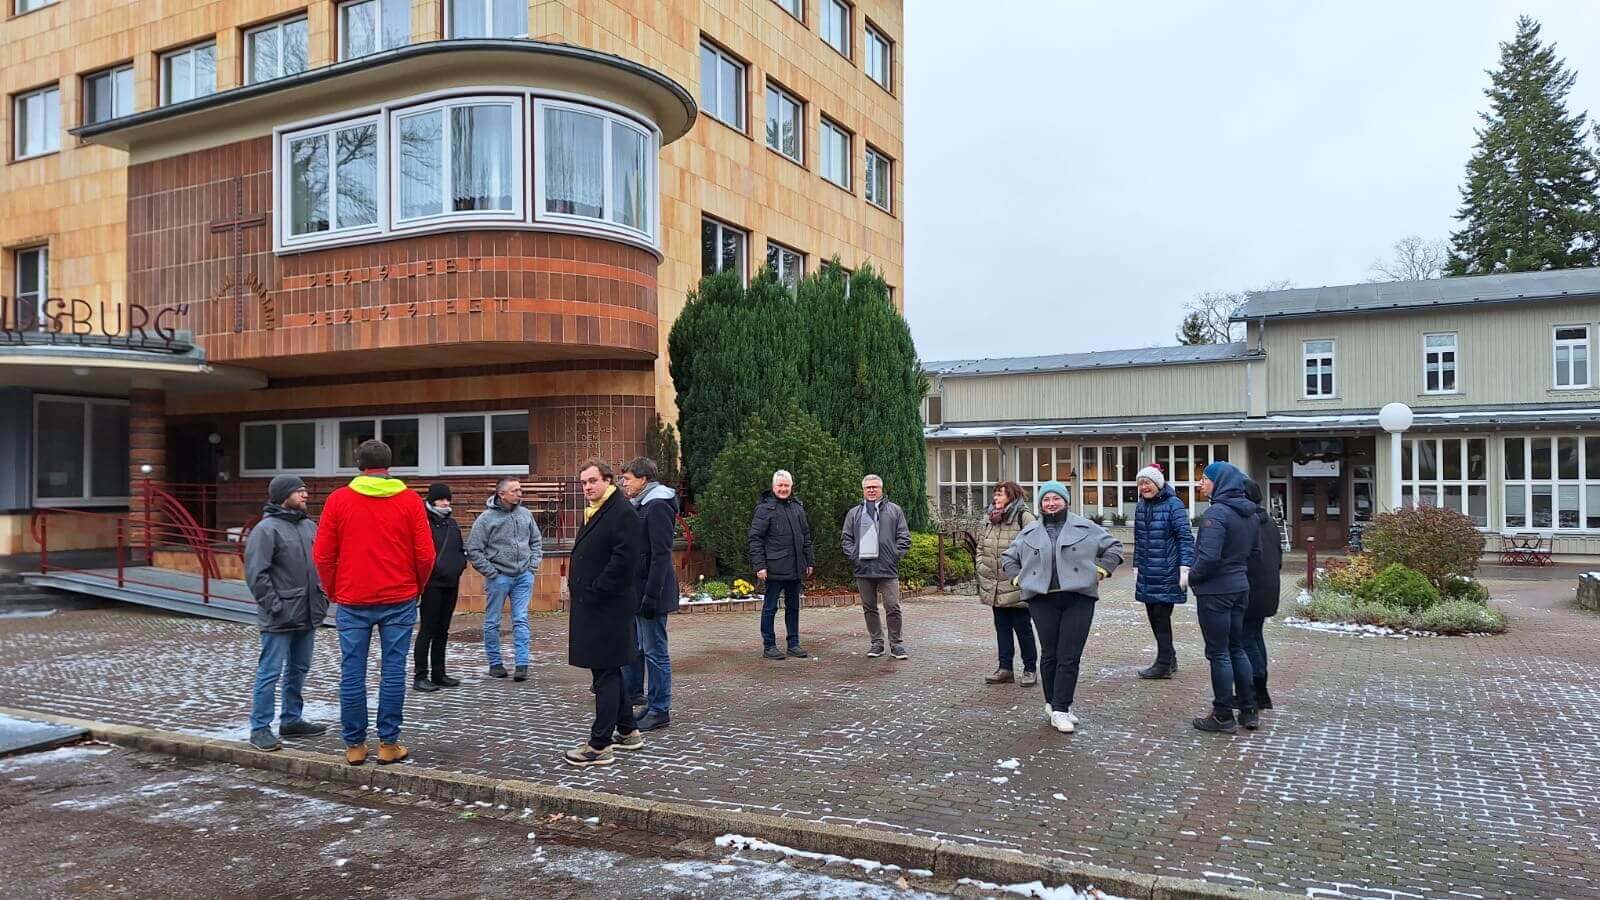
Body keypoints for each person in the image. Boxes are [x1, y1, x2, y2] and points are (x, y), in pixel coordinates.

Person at [313, 439, 435, 767]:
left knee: (352, 671)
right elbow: (425, 554)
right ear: (389, 464)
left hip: (353, 597)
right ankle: (388, 743)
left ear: (358, 464)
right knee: (393, 670)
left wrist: (334, 589)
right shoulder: (409, 500)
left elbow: (323, 554)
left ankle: (354, 746)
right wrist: (417, 587)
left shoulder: (338, 500)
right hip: (399, 597)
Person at [1001, 481, 1124, 734]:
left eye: (1056, 498)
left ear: (1066, 501)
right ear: (1040, 504)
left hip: (1079, 597)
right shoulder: (1029, 532)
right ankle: (1053, 704)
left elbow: (1114, 546)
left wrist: (1102, 569)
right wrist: (1017, 578)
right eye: (1046, 500)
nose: (1051, 503)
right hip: (1042, 599)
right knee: (1050, 653)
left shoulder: (1085, 527)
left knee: (1070, 654)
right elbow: (1008, 558)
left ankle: (1061, 708)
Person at [563, 459, 644, 768]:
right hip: (595, 606)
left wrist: (596, 590)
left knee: (605, 672)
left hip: (607, 606)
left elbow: (624, 562)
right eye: (583, 482)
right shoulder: (598, 510)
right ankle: (628, 730)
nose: (587, 487)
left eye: (593, 481)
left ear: (608, 480)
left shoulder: (621, 512)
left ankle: (599, 745)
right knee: (607, 670)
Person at [244, 475, 329, 751]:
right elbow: (257, 574)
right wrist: (275, 607)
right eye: (299, 491)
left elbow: (323, 564)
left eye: (305, 490)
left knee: (299, 669)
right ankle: (260, 728)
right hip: (280, 616)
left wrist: (323, 596)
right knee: (269, 672)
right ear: (283, 495)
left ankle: (291, 719)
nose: (305, 495)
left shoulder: (309, 527)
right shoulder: (266, 530)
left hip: (308, 612)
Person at [1188, 461, 1261, 735]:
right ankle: (1248, 710)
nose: (1200, 484)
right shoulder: (1250, 514)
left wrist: (1192, 577)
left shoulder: (1216, 514)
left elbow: (1208, 558)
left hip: (1215, 591)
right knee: (1236, 648)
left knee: (1218, 652)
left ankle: (1222, 714)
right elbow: (1256, 554)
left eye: (1205, 479)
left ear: (1219, 483)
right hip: (1239, 587)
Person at [464, 477, 544, 682]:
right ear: (501, 494)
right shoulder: (485, 519)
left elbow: (536, 541)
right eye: (514, 490)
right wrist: (491, 573)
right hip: (499, 577)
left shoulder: (525, 514)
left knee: (521, 619)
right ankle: (495, 663)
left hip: (523, 576)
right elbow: (474, 549)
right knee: (493, 622)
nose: (519, 493)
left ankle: (522, 664)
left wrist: (532, 566)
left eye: (520, 489)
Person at [620, 457, 679, 732]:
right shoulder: (642, 504)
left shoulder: (656, 506)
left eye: (628, 478)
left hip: (651, 594)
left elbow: (660, 555)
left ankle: (660, 709)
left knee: (656, 653)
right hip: (639, 592)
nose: (624, 484)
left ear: (643, 479)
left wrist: (651, 598)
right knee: (644, 649)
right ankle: (652, 703)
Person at [1132, 464, 1193, 680]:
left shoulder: (1173, 504)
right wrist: (1136, 565)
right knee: (1153, 616)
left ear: (1158, 483)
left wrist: (1185, 567)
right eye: (1140, 484)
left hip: (1167, 571)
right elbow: (1139, 540)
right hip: (1148, 572)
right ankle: (1170, 658)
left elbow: (1185, 537)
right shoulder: (1141, 507)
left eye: (1147, 483)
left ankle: (1164, 663)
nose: (1144, 487)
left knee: (1161, 617)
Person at [975, 480, 1037, 686]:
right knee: (1001, 627)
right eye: (995, 494)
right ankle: (1005, 668)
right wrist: (981, 566)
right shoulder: (989, 517)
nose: (996, 498)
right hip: (994, 583)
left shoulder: (1024, 516)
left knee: (1023, 628)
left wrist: (1021, 574)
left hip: (1016, 583)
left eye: (1001, 494)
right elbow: (980, 546)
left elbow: (1036, 548)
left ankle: (1029, 669)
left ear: (1012, 496)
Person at [748, 469, 815, 661]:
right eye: (780, 485)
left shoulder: (797, 507)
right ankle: (769, 645)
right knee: (770, 608)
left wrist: (809, 561)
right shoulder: (764, 509)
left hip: (795, 567)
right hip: (774, 567)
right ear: (773, 486)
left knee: (793, 607)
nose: (783, 489)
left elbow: (806, 536)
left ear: (791, 486)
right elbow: (755, 539)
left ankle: (793, 644)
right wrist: (760, 566)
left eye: (787, 485)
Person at [413, 483, 467, 693]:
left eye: (447, 499)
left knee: (443, 630)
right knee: (428, 629)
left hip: (451, 583)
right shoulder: (424, 523)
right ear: (431, 500)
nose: (445, 503)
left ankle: (439, 672)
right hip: (432, 584)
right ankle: (420, 675)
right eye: (441, 499)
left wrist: (460, 565)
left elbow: (459, 548)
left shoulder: (451, 523)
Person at [1243, 478, 1283, 713]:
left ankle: (1257, 691)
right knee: (1256, 637)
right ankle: (1261, 690)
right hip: (1269, 589)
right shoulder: (1270, 523)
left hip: (1251, 589)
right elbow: (1278, 558)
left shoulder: (1249, 523)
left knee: (1247, 639)